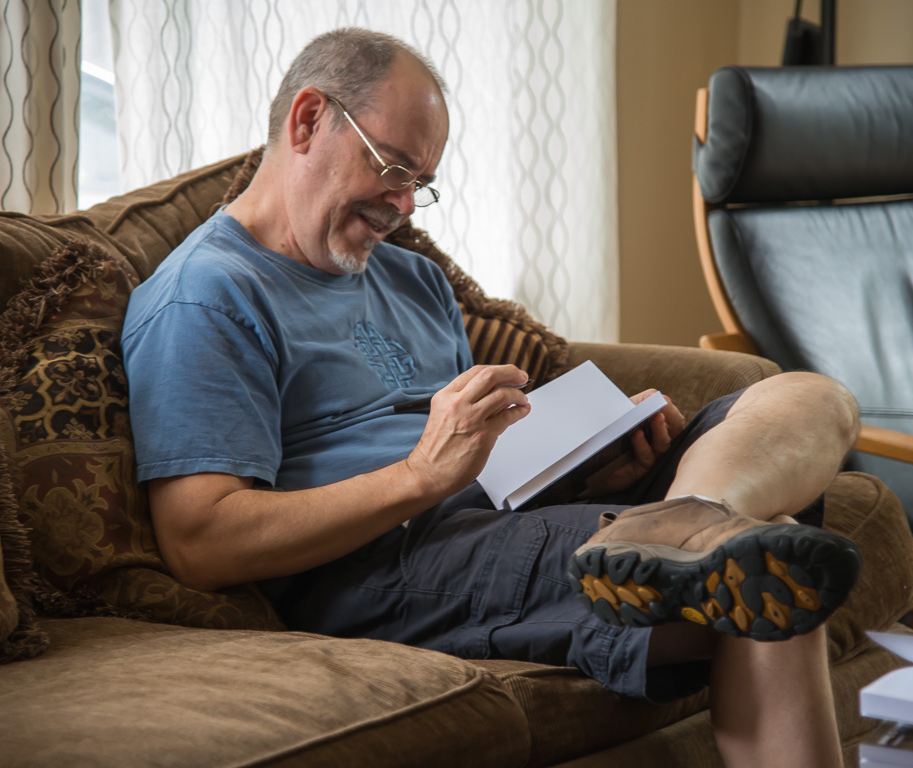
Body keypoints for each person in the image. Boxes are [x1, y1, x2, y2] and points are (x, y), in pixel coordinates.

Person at [121, 27, 864, 768]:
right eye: (392, 168)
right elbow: (199, 542)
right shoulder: (206, 297)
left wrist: (582, 468)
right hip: (385, 558)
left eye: (420, 182)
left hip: (489, 514)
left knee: (807, 396)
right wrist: (419, 477)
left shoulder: (411, 279)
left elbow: (485, 465)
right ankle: (695, 537)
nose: (404, 205)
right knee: (769, 566)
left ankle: (681, 525)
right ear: (309, 119)